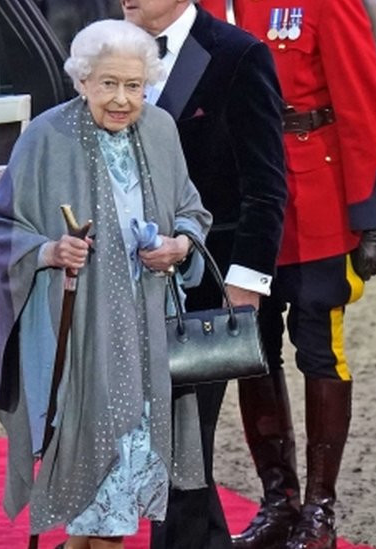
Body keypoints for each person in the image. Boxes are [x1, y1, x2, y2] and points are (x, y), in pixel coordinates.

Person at [0, 19, 212, 549]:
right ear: (82, 80)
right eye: (108, 84)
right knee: (101, 503)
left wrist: (179, 246)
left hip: (146, 337)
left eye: (133, 86)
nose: (121, 99)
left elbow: (192, 212)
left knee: (108, 511)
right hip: (79, 337)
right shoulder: (46, 136)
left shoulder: (160, 130)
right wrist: (47, 251)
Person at [200, 0, 376, 548]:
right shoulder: (204, 6)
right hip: (235, 202)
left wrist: (372, 211)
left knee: (319, 349)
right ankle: (277, 503)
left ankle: (319, 510)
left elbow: (361, 98)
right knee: (251, 351)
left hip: (312, 199)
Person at [121, 1, 288, 548]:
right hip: (121, 285)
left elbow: (266, 186)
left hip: (207, 289)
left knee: (183, 443)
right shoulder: (105, 49)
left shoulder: (240, 56)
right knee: (169, 442)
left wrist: (246, 286)